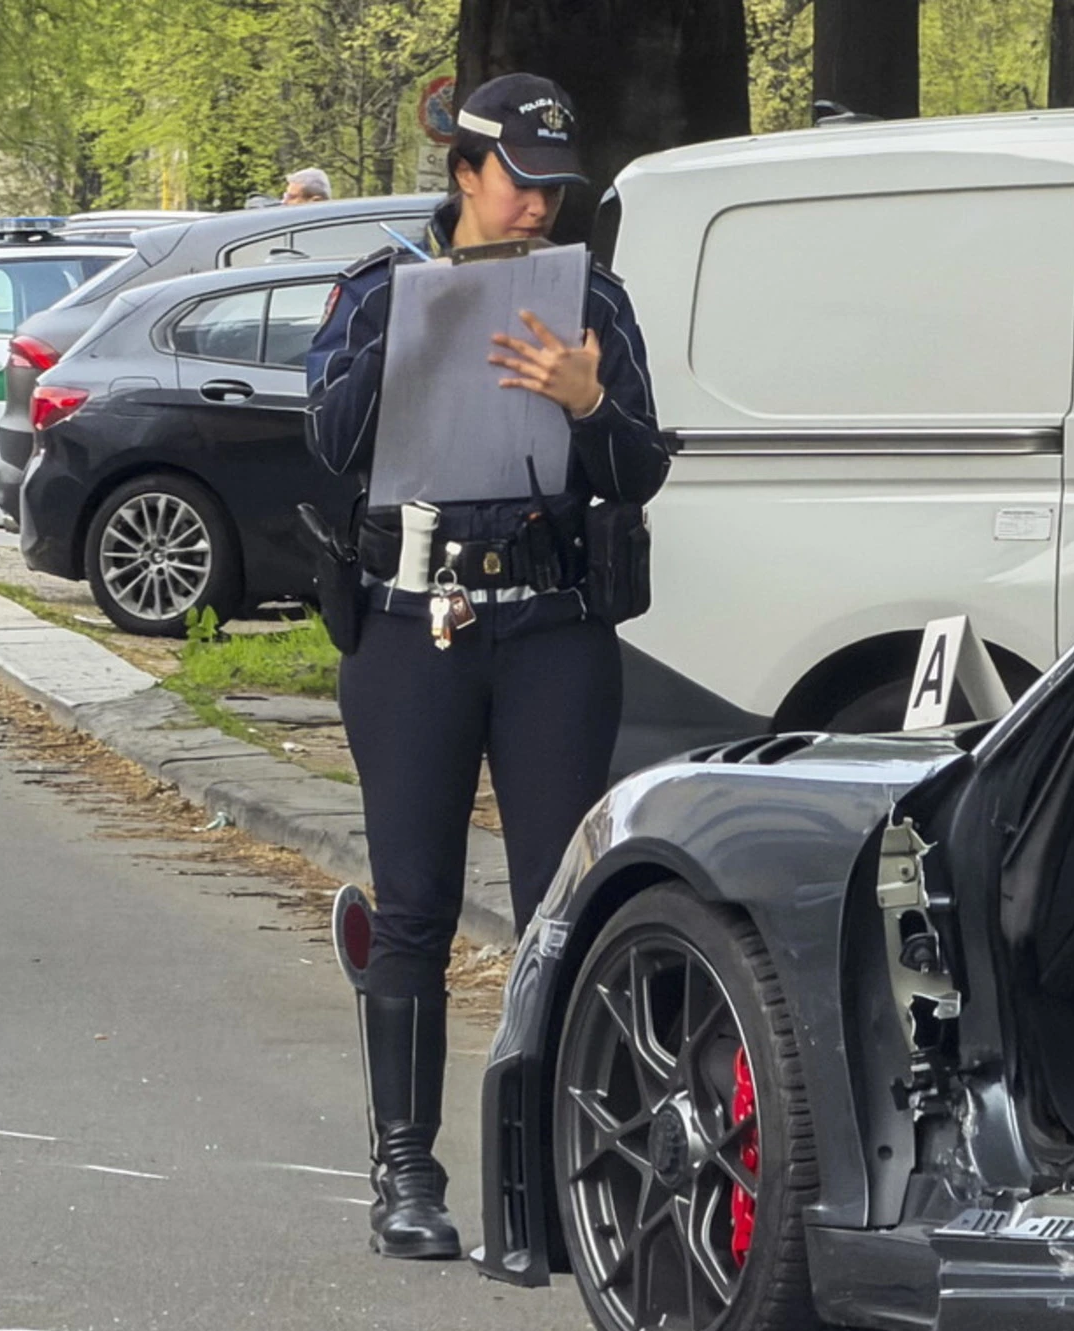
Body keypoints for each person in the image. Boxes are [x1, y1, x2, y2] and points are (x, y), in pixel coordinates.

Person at [303, 73, 670, 1259]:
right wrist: (411, 339)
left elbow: (641, 465)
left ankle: (555, 1187)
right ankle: (406, 1175)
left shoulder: (590, 295)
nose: (538, 210)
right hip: (413, 620)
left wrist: (589, 397)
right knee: (412, 903)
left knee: (559, 911)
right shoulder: (375, 289)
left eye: (556, 191)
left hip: (550, 620)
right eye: (519, 184)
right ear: (464, 174)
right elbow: (326, 439)